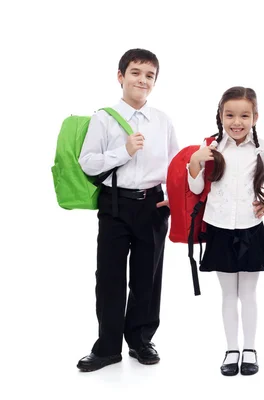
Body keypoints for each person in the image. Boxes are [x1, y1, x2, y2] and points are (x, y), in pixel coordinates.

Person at [76, 48, 179, 372]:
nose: (142, 80)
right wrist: (124, 151)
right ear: (121, 77)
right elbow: (88, 162)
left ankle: (140, 339)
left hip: (152, 204)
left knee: (147, 276)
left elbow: (174, 163)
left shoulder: (162, 120)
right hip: (115, 204)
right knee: (109, 276)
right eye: (136, 72)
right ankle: (107, 347)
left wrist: (175, 198)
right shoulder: (103, 118)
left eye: (150, 75)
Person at [187, 86, 264, 376]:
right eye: (229, 115)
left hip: (251, 228)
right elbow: (197, 188)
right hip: (219, 227)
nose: (236, 122)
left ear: (255, 117)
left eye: (244, 115)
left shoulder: (262, 147)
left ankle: (250, 348)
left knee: (249, 294)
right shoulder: (211, 147)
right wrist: (195, 162)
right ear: (220, 115)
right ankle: (231, 349)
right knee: (228, 295)